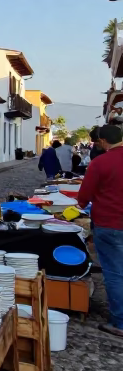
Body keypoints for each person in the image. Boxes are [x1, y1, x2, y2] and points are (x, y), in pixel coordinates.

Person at [77, 123, 123, 338]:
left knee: (114, 273)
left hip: (110, 223)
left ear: (103, 141)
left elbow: (83, 197)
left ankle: (120, 322)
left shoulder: (101, 162)